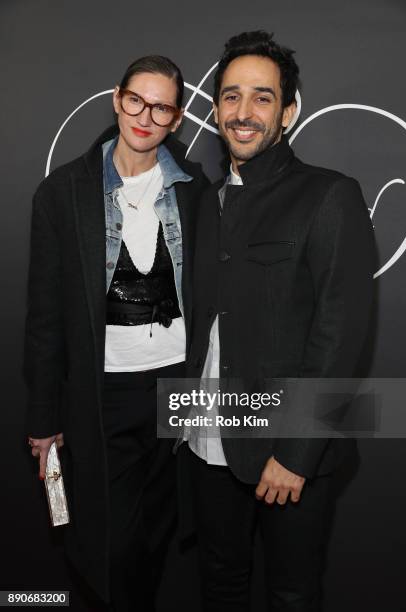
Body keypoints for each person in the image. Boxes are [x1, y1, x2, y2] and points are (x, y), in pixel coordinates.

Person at [180, 31, 376, 611]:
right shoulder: (204, 203)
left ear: (288, 111)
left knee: (291, 593)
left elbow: (340, 339)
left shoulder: (330, 195)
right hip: (204, 443)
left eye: (262, 98)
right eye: (231, 96)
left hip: (287, 451)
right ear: (215, 109)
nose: (244, 113)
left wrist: (297, 451)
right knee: (219, 584)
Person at [24, 55, 208, 611]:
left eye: (161, 107)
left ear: (176, 119)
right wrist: (43, 417)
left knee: (159, 534)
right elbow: (45, 314)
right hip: (105, 392)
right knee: (114, 544)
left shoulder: (196, 190)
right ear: (116, 98)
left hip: (178, 388)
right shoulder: (63, 193)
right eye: (136, 100)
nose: (145, 116)